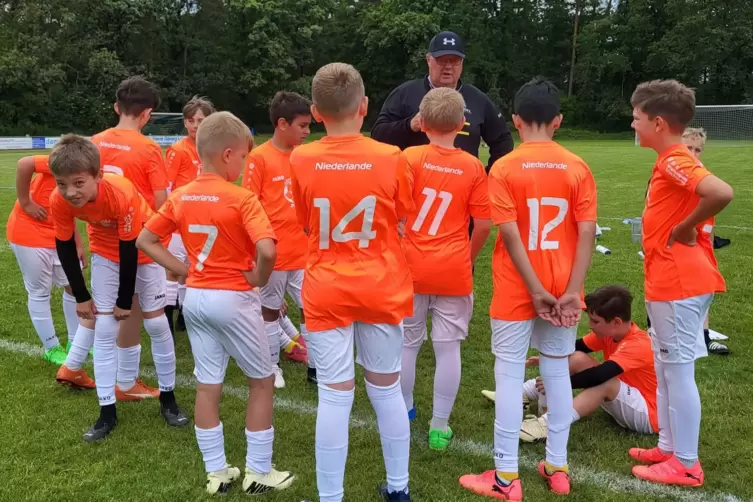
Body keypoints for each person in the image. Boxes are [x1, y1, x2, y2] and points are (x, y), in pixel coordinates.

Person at [136, 111, 295, 495]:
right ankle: (258, 471)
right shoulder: (242, 198)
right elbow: (268, 249)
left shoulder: (181, 195)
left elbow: (145, 239)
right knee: (261, 382)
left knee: (208, 385)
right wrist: (258, 276)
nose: (243, 164)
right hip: (233, 299)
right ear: (227, 154)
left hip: (196, 300)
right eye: (242, 157)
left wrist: (180, 269)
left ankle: (217, 471)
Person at [459, 77, 597, 500]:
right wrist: (573, 291)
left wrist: (535, 289)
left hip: (519, 287)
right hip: (562, 284)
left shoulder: (503, 167)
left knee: (509, 374)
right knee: (556, 372)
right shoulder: (577, 166)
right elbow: (588, 231)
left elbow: (512, 234)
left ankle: (505, 478)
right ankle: (556, 465)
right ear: (557, 120)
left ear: (516, 120)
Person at [289, 62, 414, 502]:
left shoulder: (301, 157)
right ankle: (399, 489)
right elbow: (400, 216)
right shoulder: (390, 157)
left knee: (335, 395)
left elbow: (306, 223)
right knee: (386, 390)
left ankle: (331, 497)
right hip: (381, 281)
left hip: (327, 283)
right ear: (364, 106)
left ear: (316, 112)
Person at [48, 135, 187, 442]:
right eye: (62, 184)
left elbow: (130, 249)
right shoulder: (58, 200)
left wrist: (125, 301)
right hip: (105, 254)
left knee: (155, 322)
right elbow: (65, 246)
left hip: (143, 250)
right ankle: (106, 410)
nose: (70, 192)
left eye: (79, 183)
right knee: (106, 329)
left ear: (98, 176)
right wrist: (81, 296)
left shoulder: (120, 192)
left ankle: (168, 398)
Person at [629, 79, 732, 487]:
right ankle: (669, 447)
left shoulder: (675, 158)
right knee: (666, 366)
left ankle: (686, 462)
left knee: (678, 371)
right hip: (671, 280)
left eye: (636, 118)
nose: (632, 125)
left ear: (656, 122)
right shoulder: (668, 159)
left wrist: (686, 227)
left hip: (679, 281)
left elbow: (720, 192)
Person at [399, 87, 492, 451]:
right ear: (463, 123)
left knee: (407, 345)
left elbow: (395, 212)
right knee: (448, 348)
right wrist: (465, 259)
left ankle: (405, 410)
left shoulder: (409, 158)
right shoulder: (472, 165)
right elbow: (483, 225)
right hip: (453, 267)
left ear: (421, 123)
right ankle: (440, 427)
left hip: (411, 266)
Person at [89, 76, 171, 401]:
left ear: (116, 107)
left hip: (103, 244)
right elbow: (162, 203)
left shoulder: (95, 140)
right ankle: (127, 382)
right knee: (146, 313)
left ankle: (123, 383)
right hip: (138, 241)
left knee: (118, 313)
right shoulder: (149, 148)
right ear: (147, 114)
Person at [512, 285, 658, 442]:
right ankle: (524, 393)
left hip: (649, 415)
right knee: (578, 358)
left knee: (605, 382)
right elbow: (574, 348)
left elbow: (599, 375)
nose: (590, 325)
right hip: (628, 397)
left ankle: (549, 425)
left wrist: (557, 383)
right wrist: (547, 359)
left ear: (616, 322)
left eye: (595, 321)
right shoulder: (610, 333)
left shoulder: (638, 344)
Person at [242, 91, 313, 389]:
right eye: (303, 125)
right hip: (274, 253)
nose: (308, 132)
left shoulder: (306, 156)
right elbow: (249, 206)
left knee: (312, 308)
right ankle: (271, 365)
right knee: (269, 310)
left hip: (306, 252)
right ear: (282, 124)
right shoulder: (259, 158)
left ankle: (316, 366)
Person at [371, 30, 513, 172]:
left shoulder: (478, 99)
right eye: (442, 59)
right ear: (428, 60)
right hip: (413, 187)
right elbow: (377, 135)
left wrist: (489, 177)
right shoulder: (405, 93)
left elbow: (503, 141)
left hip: (463, 188)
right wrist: (409, 125)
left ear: (462, 62)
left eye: (454, 60)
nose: (448, 66)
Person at [6, 155, 84, 366]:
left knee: (73, 286)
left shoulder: (92, 170)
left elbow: (69, 209)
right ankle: (51, 348)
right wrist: (26, 202)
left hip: (60, 232)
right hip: (28, 233)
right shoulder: (66, 159)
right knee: (40, 291)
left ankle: (75, 342)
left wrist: (77, 242)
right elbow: (24, 163)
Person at [164, 95, 217, 334]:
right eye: (191, 120)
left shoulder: (212, 150)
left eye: (201, 120)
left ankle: (185, 314)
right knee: (173, 269)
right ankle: (166, 313)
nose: (196, 125)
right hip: (179, 221)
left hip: (205, 223)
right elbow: (167, 187)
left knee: (196, 267)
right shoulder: (178, 150)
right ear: (185, 123)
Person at [680, 127, 729, 355]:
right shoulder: (674, 175)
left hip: (702, 243)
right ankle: (659, 329)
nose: (693, 153)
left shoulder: (703, 176)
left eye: (697, 149)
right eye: (688, 147)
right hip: (681, 243)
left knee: (704, 288)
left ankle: (705, 335)